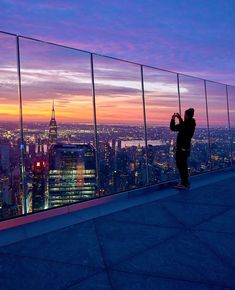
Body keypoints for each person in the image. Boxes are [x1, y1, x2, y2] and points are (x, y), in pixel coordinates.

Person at [170, 108, 196, 189]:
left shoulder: (186, 124)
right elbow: (183, 126)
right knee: (184, 166)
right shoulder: (191, 123)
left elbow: (173, 128)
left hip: (181, 149)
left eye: (184, 115)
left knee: (181, 166)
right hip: (186, 149)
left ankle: (184, 183)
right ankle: (185, 182)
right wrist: (180, 118)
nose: (184, 116)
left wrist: (173, 118)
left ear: (187, 115)